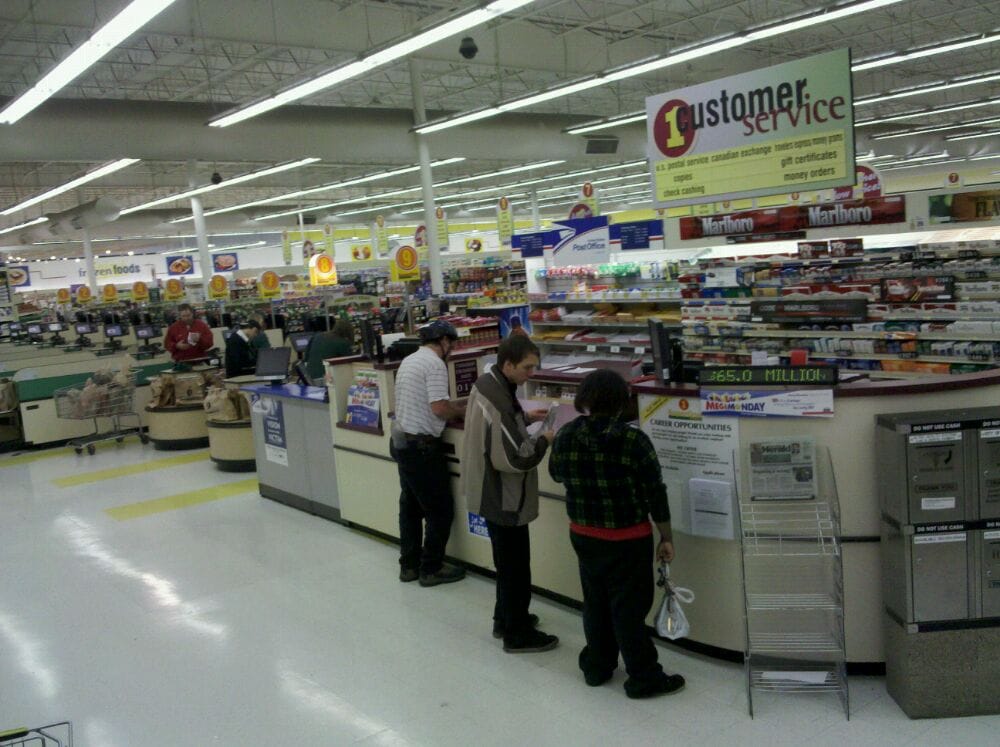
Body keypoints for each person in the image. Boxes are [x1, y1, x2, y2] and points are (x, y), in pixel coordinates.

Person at [549, 369, 685, 699]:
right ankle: (643, 677)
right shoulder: (633, 440)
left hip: (583, 534)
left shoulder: (566, 434)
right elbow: (656, 493)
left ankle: (597, 666)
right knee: (628, 609)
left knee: (595, 602)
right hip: (628, 539)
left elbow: (555, 474)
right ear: (622, 401)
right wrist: (666, 537)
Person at [461, 335, 558, 653]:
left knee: (506, 563)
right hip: (503, 495)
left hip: (487, 490)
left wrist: (523, 419)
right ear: (508, 365)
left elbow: (497, 431)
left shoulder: (488, 382)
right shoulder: (500, 401)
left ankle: (505, 619)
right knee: (516, 566)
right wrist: (545, 439)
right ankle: (517, 634)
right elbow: (517, 458)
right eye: (527, 367)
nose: (532, 373)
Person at [390, 320, 468, 587]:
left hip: (402, 442)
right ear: (444, 342)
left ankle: (409, 566)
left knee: (410, 508)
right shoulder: (435, 365)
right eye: (452, 344)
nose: (453, 350)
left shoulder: (410, 360)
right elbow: (438, 408)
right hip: (422, 448)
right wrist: (461, 411)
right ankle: (431, 568)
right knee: (440, 510)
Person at [304, 318, 354, 383]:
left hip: (308, 378)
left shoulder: (317, 336)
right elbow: (351, 362)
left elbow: (306, 357)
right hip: (325, 379)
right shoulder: (343, 343)